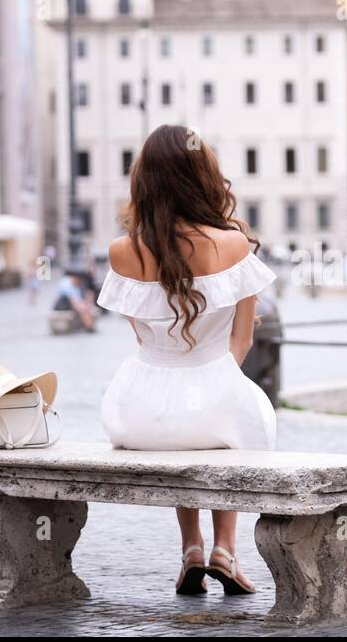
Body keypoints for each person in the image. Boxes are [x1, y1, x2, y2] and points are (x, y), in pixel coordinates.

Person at [97, 124, 276, 596]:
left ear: (144, 181)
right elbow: (242, 342)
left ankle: (190, 549)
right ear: (203, 176)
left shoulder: (121, 253)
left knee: (183, 424)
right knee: (229, 422)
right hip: (213, 392)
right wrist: (215, 380)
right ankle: (225, 550)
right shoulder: (234, 244)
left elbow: (141, 335)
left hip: (139, 410)